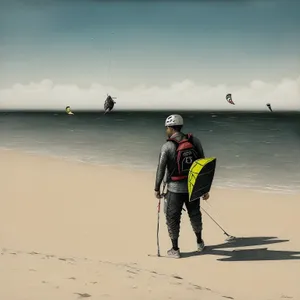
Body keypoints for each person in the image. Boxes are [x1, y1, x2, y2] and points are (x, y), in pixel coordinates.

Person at [154, 114, 209, 259]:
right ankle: (199, 242)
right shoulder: (194, 141)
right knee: (195, 214)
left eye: (167, 128)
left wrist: (156, 188)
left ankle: (175, 249)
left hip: (174, 189)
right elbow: (202, 165)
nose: (166, 130)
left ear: (171, 128)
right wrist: (204, 188)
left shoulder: (167, 146)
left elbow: (160, 169)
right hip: (193, 187)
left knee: (172, 217)